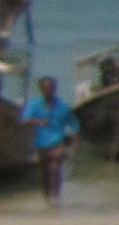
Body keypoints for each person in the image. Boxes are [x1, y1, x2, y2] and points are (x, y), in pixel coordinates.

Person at [24, 73, 78, 201]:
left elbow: (74, 125)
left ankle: (55, 197)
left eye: (51, 88)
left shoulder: (63, 106)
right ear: (41, 89)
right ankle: (47, 197)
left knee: (55, 169)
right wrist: (38, 121)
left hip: (57, 141)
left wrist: (73, 146)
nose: (48, 90)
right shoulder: (34, 104)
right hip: (40, 141)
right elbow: (25, 119)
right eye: (45, 88)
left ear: (55, 88)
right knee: (45, 172)